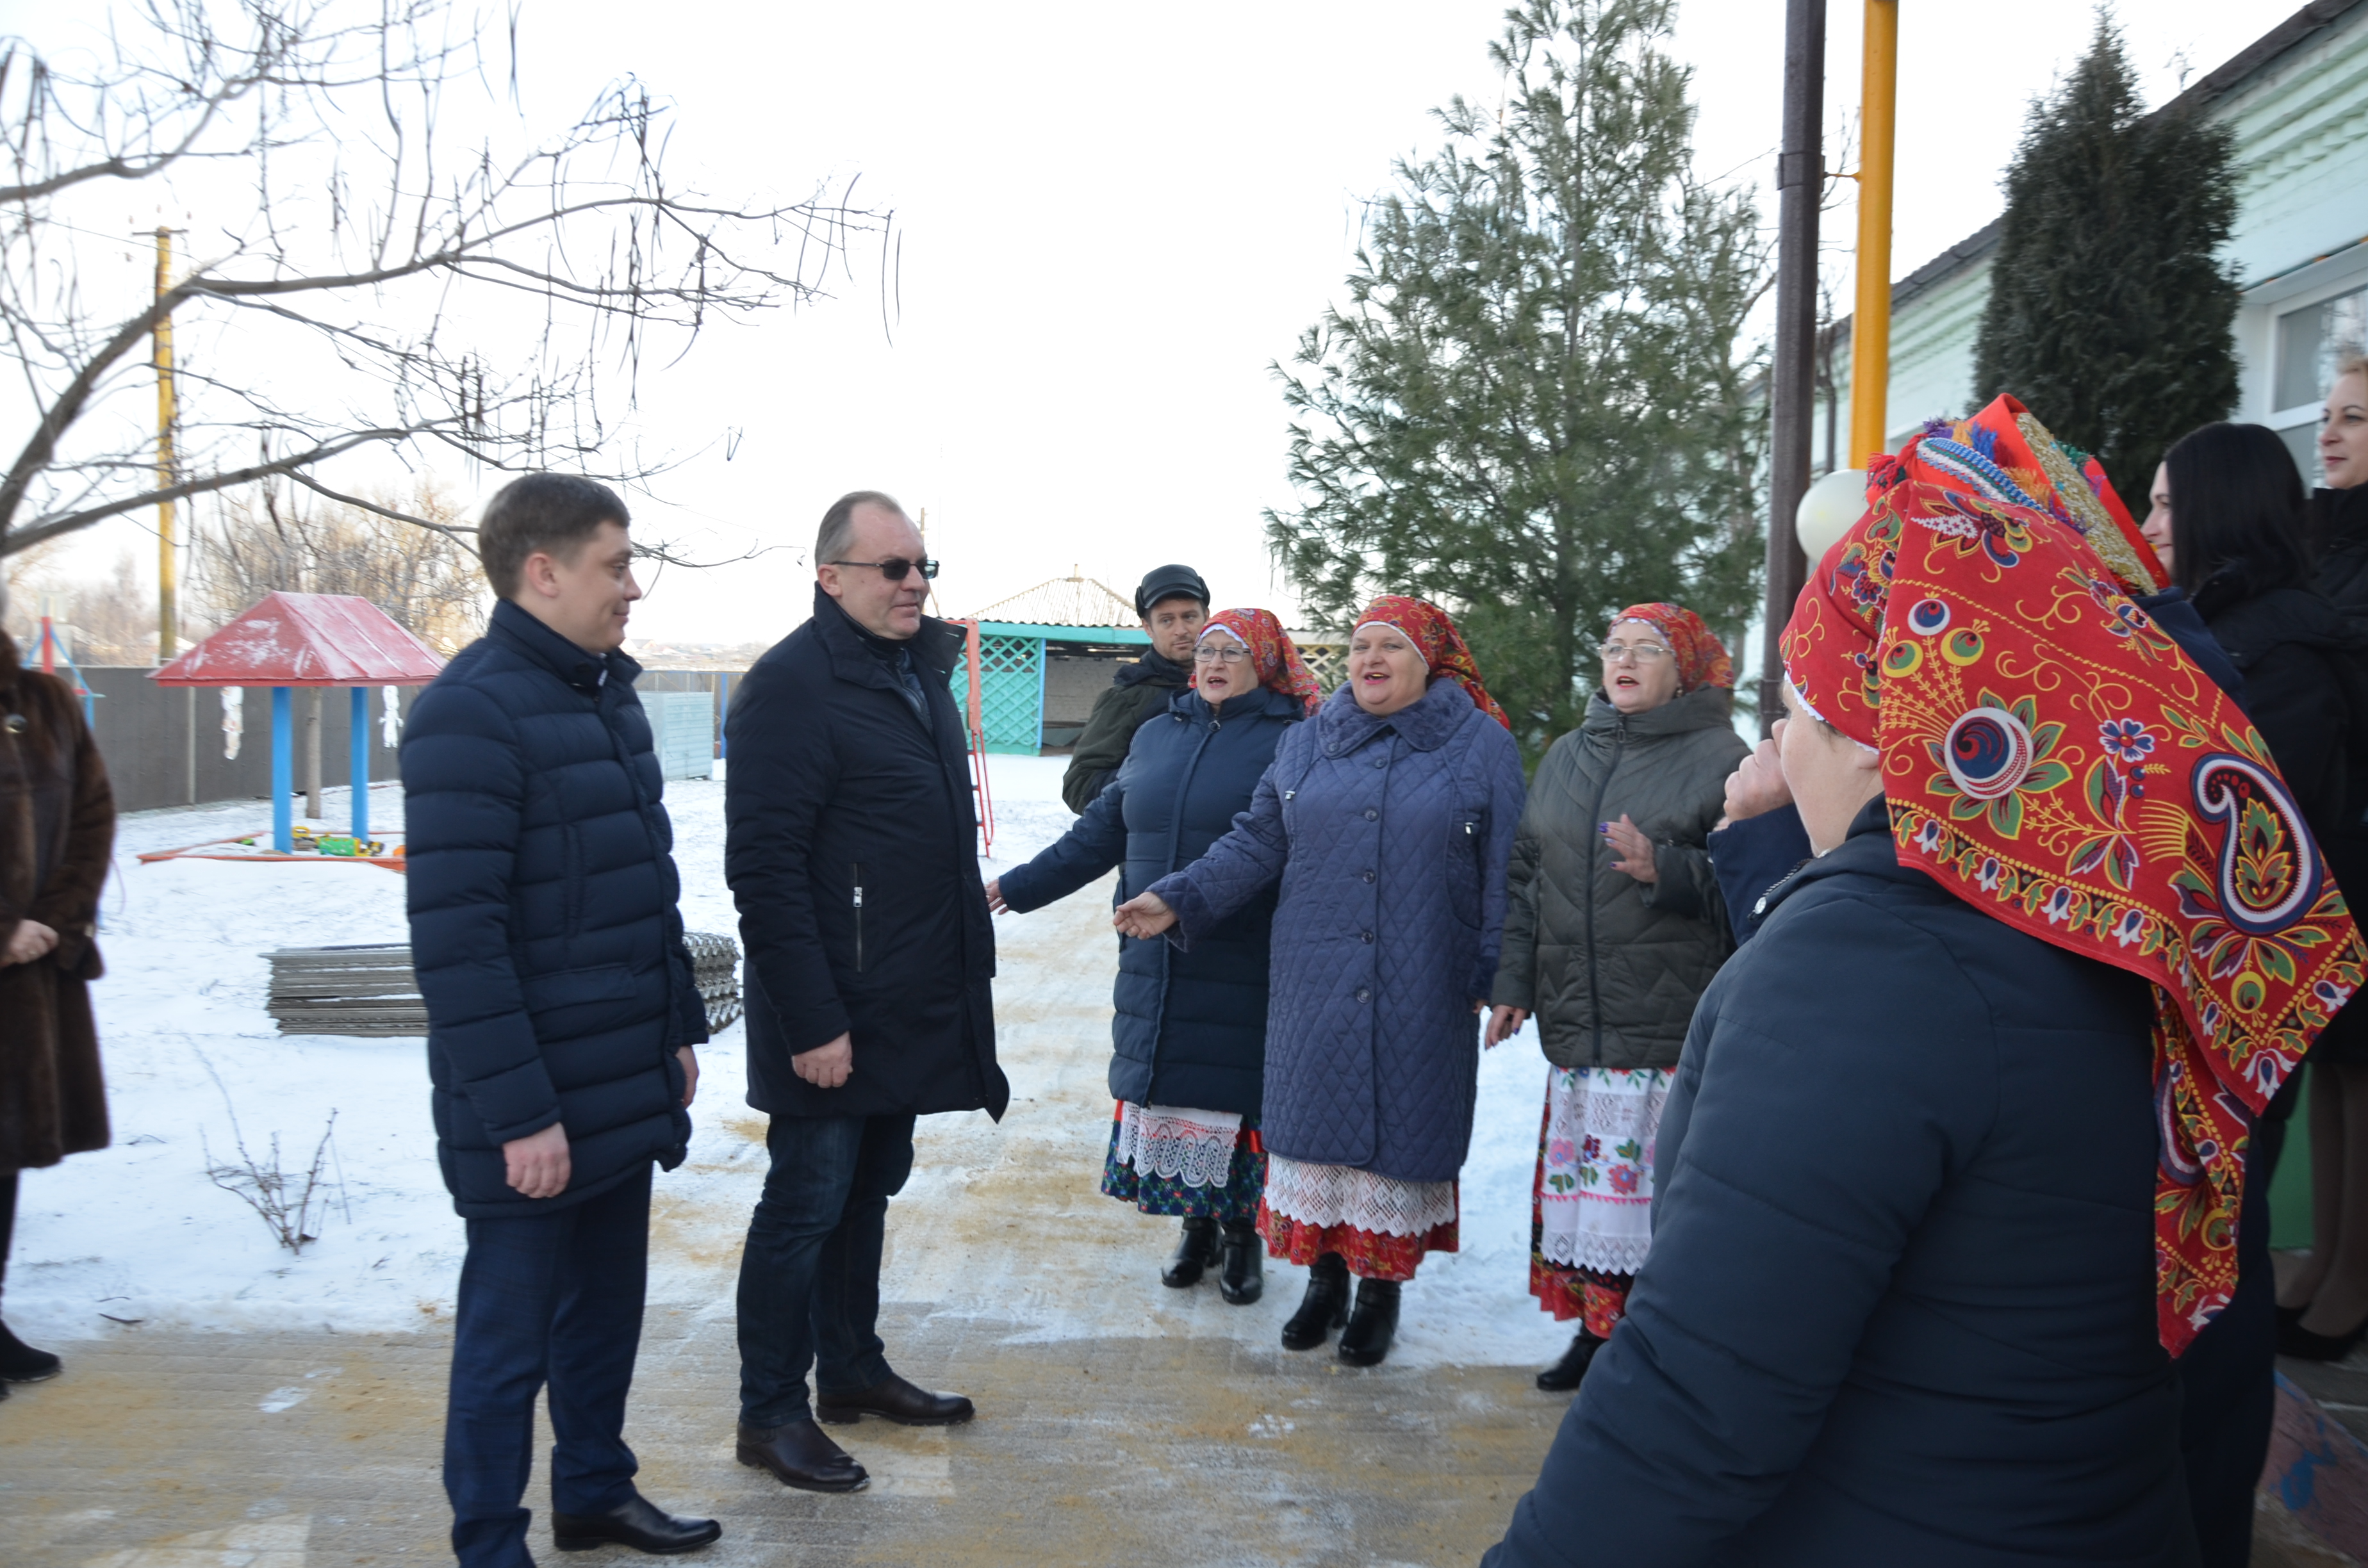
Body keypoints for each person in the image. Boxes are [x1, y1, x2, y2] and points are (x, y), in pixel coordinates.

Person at [1484, 399, 2365, 1567]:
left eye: (1796, 706)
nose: (1780, 743)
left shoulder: (1864, 966)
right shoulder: (2104, 915)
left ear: (1874, 731)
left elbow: (1702, 1398)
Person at [402, 475, 718, 1564]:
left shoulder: (605, 696)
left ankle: (594, 1490)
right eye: (614, 563)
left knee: (602, 1320)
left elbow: (647, 887)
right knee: (506, 1346)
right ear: (543, 571)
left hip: (619, 1074)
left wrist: (675, 1024)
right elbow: (458, 944)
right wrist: (522, 1113)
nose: (633, 586)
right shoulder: (470, 711)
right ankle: (490, 1541)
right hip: (533, 1104)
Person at [1114, 596, 1525, 1367]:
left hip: (1422, 977)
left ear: (1430, 660)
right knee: (1319, 1139)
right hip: (1312, 978)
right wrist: (1179, 895)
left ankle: (1380, 1293)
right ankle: (1324, 1282)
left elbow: (1507, 868)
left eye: (1391, 647)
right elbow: (1256, 842)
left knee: (1399, 1136)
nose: (1370, 658)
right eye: (1360, 645)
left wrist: (1503, 971)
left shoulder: (1480, 746)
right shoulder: (1307, 745)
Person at [725, 489, 1007, 1496]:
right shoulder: (791, 688)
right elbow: (763, 871)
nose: (916, 584)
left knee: (866, 1191)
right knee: (804, 1200)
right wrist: (812, 1021)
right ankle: (770, 1413)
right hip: (830, 1012)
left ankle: (849, 1369)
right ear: (829, 575)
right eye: (894, 568)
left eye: (924, 566)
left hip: (902, 1002)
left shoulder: (912, 674)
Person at [989, 609, 1320, 1300]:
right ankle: (1194, 1226)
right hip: (1152, 946)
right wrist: (1015, 889)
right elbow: (1099, 832)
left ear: (1265, 661)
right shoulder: (1156, 733)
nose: (1216, 662)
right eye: (1207, 652)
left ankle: (1240, 1235)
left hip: (1242, 947)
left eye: (1233, 651)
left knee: (1236, 1095)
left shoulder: (1293, 740)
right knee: (1172, 1085)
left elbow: (1286, 845)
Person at [1486, 603, 1746, 1394]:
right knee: (1590, 1199)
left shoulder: (1722, 756)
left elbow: (1758, 885)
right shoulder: (1568, 755)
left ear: (1686, 670)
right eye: (1614, 648)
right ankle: (1593, 1335)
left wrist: (1668, 869)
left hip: (1667, 1028)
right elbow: (1528, 878)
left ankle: (1659, 1347)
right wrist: (1513, 984)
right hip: (1579, 1022)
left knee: (1653, 1205)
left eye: (1647, 650)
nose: (1623, 661)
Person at [0, 589, 113, 1399]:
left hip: (33, 974)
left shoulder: (44, 701)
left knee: (7, 1152)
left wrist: (51, 920)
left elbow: (93, 814)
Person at [2282, 357, 2368, 1362]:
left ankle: (2354, 1268)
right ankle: (2327, 1259)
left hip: (2360, 824)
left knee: (2363, 1067)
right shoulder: (2320, 542)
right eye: (2329, 415)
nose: (2331, 432)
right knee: (2337, 1061)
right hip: (2330, 838)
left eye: (2354, 418)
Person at [1062, 565, 1210, 812]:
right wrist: (1150, 780)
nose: (1181, 630)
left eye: (1189, 617)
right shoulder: (1127, 698)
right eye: (1166, 620)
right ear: (1148, 628)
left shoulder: (1234, 688)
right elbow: (1079, 788)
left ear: (1207, 617)